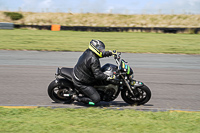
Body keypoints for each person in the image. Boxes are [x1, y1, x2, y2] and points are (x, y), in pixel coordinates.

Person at [72, 39, 113, 105]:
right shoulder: (93, 60)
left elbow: (100, 54)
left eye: (101, 49)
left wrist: (109, 53)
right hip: (82, 82)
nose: (101, 50)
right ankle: (77, 98)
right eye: (100, 49)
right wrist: (108, 77)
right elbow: (98, 75)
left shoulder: (89, 51)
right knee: (96, 100)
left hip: (82, 74)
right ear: (94, 48)